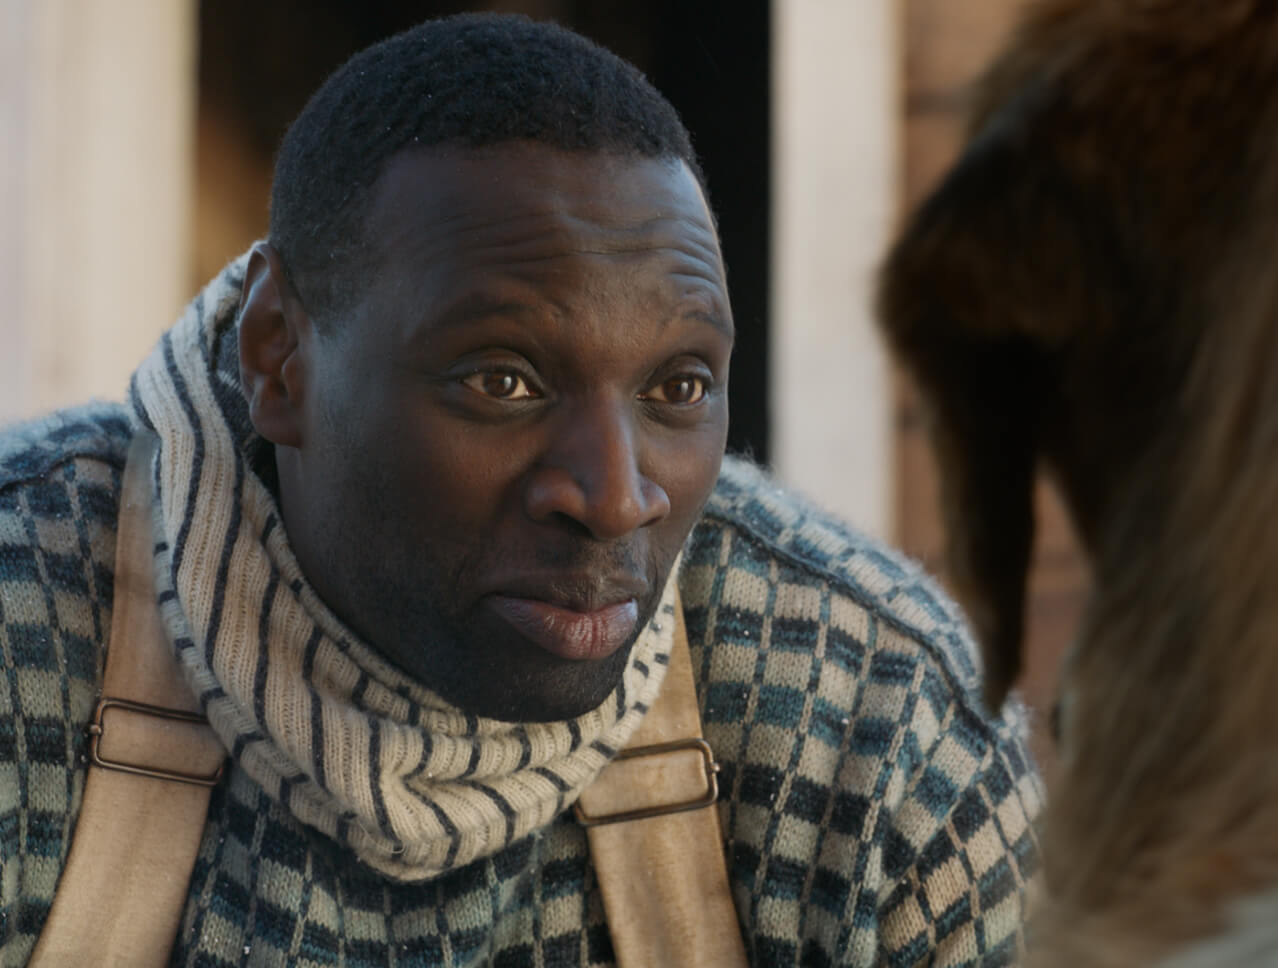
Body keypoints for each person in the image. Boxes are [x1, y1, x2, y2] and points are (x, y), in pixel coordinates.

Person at [0, 13, 1041, 966]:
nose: (615, 495)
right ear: (279, 361)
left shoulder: (884, 741)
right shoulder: (25, 633)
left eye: (678, 386)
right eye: (502, 379)